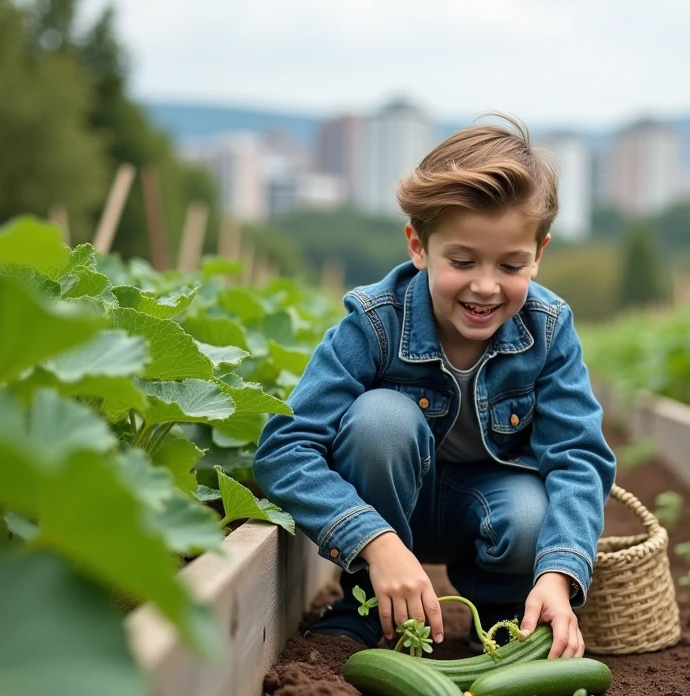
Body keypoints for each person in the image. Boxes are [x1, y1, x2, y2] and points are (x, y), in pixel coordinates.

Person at [253, 115, 615, 659]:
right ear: (418, 247)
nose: (486, 285)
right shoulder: (376, 322)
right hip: (393, 512)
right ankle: (365, 606)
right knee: (381, 421)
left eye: (511, 264)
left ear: (538, 254)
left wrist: (560, 574)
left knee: (530, 514)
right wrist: (373, 542)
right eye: (462, 260)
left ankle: (504, 618)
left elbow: (578, 458)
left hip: (488, 507)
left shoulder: (549, 328)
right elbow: (284, 449)